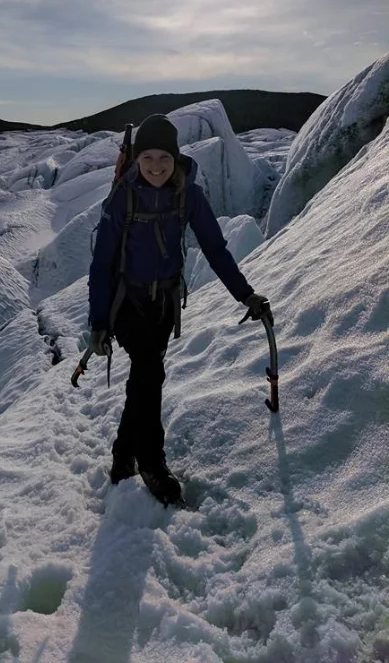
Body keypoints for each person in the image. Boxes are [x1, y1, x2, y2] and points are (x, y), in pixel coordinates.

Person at [87, 114, 270, 505]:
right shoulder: (123, 197)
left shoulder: (189, 196)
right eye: (148, 157)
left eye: (164, 158)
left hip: (164, 305)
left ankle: (122, 456)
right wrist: (99, 321)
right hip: (126, 302)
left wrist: (245, 294)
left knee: (144, 378)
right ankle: (152, 463)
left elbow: (215, 249)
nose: (156, 166)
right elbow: (101, 264)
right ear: (137, 159)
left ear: (176, 158)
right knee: (150, 372)